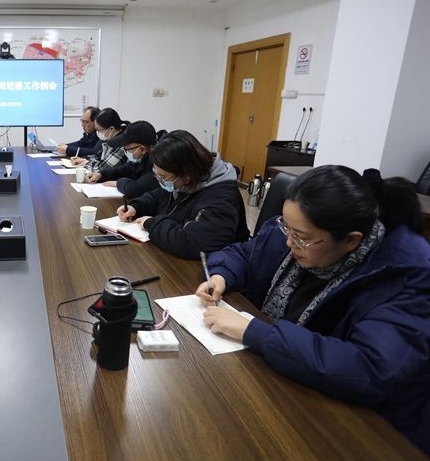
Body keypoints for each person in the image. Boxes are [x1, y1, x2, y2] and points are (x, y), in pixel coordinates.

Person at [197, 165, 430, 455]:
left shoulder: (405, 279)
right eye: (286, 227)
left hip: (365, 428)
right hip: (285, 381)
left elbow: (371, 369)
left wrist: (254, 332)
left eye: (300, 236)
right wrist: (221, 276)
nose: (289, 241)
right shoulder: (300, 233)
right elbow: (245, 254)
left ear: (351, 240)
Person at [117, 130, 248, 259]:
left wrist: (151, 223)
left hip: (213, 267)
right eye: (156, 174)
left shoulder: (221, 199)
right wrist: (136, 207)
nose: (160, 180)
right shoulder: (183, 181)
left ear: (187, 175)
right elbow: (158, 196)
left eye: (163, 177)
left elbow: (191, 243)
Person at [85, 120, 165, 199]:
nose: (125, 152)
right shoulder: (141, 157)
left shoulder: (159, 162)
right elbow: (124, 169)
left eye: (127, 149)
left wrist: (118, 183)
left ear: (142, 149)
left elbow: (135, 189)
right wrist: (101, 175)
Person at [69, 108, 129, 172]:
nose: (97, 132)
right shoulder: (110, 139)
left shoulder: (122, 144)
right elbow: (97, 156)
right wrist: (82, 159)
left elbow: (103, 168)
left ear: (111, 129)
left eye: (99, 129)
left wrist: (86, 163)